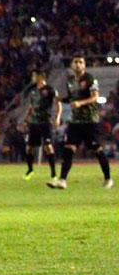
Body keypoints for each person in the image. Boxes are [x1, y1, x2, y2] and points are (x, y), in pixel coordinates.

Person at [47, 56, 113, 189]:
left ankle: (108, 179)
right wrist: (60, 99)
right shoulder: (70, 81)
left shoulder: (90, 79)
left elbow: (95, 97)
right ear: (72, 65)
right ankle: (62, 180)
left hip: (90, 120)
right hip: (76, 121)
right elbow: (72, 98)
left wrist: (80, 103)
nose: (78, 64)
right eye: (75, 62)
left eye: (80, 62)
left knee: (97, 149)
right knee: (68, 149)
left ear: (84, 65)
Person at [23, 69, 61, 180]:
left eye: (34, 76)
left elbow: (58, 104)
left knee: (48, 146)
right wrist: (26, 119)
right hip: (34, 122)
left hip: (45, 122)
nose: (32, 78)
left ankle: (53, 173)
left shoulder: (50, 90)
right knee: (29, 147)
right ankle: (30, 170)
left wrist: (57, 118)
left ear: (40, 76)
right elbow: (31, 107)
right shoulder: (33, 91)